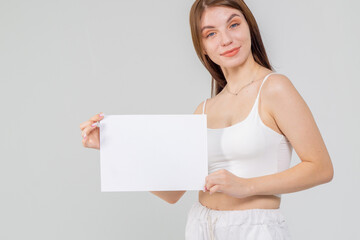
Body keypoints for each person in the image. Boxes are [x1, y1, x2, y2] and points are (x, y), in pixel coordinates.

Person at [80, 0, 334, 239]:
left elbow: (321, 168)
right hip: (201, 226)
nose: (225, 40)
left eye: (234, 24)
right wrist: (112, 147)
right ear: (202, 46)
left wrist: (246, 186)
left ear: (249, 27)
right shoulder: (204, 109)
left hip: (254, 229)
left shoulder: (274, 88)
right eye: (211, 33)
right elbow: (172, 193)